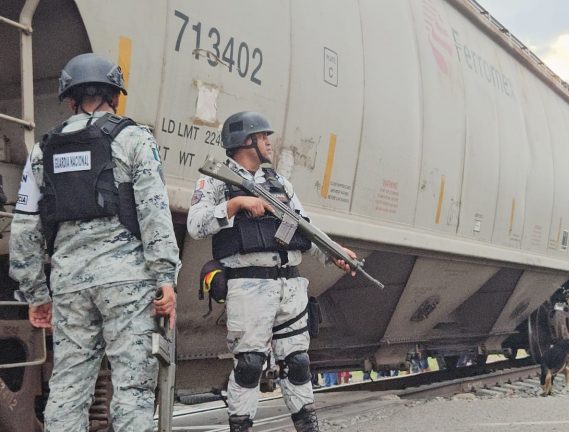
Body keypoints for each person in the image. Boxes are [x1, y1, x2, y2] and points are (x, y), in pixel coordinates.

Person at [9, 53, 180, 432]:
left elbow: (24, 228)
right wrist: (165, 277)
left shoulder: (42, 150)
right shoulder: (135, 139)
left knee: (68, 388)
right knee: (132, 387)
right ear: (114, 96)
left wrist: (36, 294)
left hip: (69, 285)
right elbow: (154, 212)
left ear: (69, 99)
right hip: (127, 283)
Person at [187, 111, 358, 432]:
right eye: (263, 136)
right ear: (245, 141)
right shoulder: (216, 180)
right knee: (249, 365)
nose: (269, 142)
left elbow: (306, 228)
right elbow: (195, 225)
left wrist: (334, 253)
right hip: (248, 287)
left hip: (289, 286)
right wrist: (235, 205)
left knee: (299, 363)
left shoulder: (279, 184)